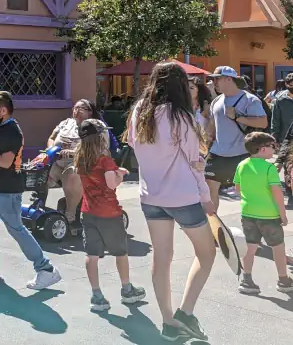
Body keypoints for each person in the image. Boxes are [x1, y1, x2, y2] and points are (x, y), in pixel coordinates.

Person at [128, 61, 216, 341]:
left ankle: (168, 321)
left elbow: (134, 146)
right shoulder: (182, 116)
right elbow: (195, 164)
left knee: (161, 258)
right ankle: (185, 312)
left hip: (151, 195)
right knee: (207, 253)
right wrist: (206, 198)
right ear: (180, 85)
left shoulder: (139, 112)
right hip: (183, 195)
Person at [0, 91, 60, 288]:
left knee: (16, 229)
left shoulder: (11, 131)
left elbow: (5, 161)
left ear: (3, 110)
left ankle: (46, 269)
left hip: (6, 191)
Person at [72, 118, 146, 311]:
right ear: (100, 138)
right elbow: (111, 183)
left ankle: (97, 295)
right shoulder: (105, 160)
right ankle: (127, 290)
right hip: (109, 213)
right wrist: (120, 174)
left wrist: (114, 170)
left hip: (88, 212)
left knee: (92, 254)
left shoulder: (80, 159)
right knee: (120, 253)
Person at [234, 132, 292, 295]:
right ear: (263, 149)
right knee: (278, 247)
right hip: (269, 215)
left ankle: (246, 279)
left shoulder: (242, 165)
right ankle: (283, 280)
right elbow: (277, 193)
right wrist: (283, 214)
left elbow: (238, 188)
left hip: (248, 213)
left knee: (250, 247)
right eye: (273, 147)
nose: (275, 150)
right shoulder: (269, 168)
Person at [206, 66, 268, 208]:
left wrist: (238, 117)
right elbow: (212, 125)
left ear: (229, 79)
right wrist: (206, 139)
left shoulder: (250, 100)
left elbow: (263, 122)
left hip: (242, 153)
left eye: (217, 79)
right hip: (217, 153)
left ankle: (252, 222)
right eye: (213, 80)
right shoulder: (216, 101)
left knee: (247, 192)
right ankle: (213, 226)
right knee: (209, 189)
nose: (214, 83)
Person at [45, 99, 112, 228]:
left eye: (80, 108)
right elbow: (52, 137)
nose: (76, 111)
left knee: (72, 174)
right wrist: (50, 149)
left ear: (90, 111)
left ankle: (70, 215)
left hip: (83, 163)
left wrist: (73, 153)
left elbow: (99, 149)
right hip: (58, 160)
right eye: (75, 108)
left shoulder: (96, 126)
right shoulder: (66, 123)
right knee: (39, 176)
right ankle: (41, 207)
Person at [271, 73, 293, 207]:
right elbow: (275, 120)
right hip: (286, 138)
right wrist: (275, 137)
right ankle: (290, 192)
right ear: (286, 84)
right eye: (290, 84)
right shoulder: (280, 100)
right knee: (288, 166)